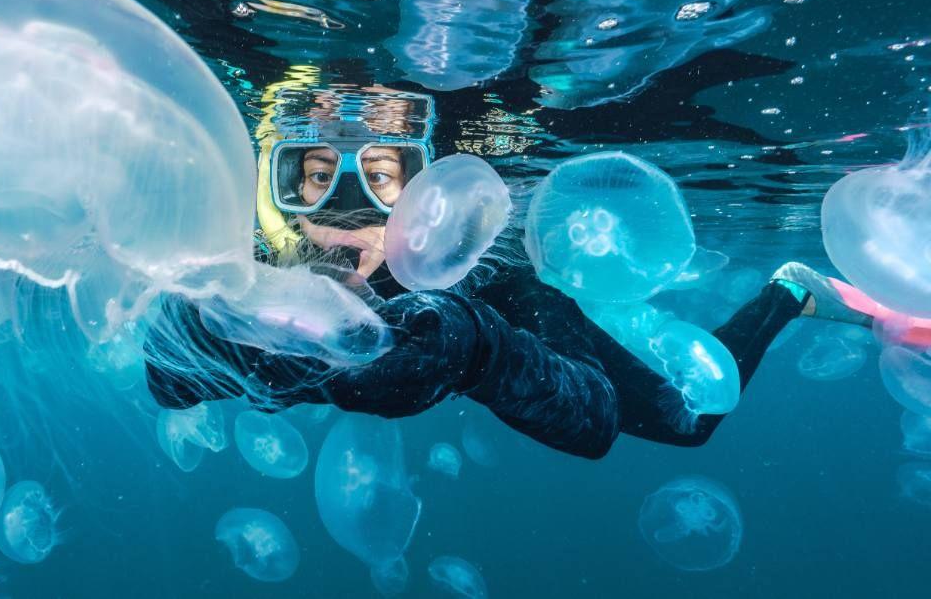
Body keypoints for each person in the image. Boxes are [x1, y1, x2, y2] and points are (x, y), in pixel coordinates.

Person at [143, 88, 895, 460]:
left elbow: (597, 421)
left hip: (493, 315)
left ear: (427, 188)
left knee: (687, 423)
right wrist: (260, 343)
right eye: (311, 176)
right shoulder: (256, 263)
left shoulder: (488, 282)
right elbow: (168, 375)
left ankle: (789, 290)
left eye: (381, 177)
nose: (347, 211)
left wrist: (480, 351)